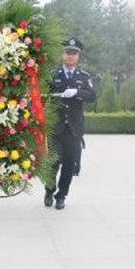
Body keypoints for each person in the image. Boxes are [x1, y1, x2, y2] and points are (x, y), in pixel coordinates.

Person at [45, 38, 96, 210]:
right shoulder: (53, 75)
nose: (70, 56)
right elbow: (41, 95)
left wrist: (77, 92)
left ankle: (61, 196)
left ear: (78, 56)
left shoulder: (84, 77)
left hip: (74, 129)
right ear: (63, 54)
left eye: (74, 53)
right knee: (53, 162)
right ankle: (49, 190)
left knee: (69, 164)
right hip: (55, 126)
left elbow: (92, 96)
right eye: (68, 53)